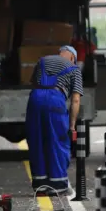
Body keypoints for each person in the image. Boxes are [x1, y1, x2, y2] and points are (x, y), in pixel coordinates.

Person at [25, 45, 83, 196]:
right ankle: (58, 184)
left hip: (35, 99)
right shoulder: (74, 69)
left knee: (37, 140)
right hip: (55, 100)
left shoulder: (43, 61)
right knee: (57, 141)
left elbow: (34, 83)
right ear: (72, 57)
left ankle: (40, 185)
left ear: (60, 53)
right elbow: (75, 100)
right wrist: (72, 125)